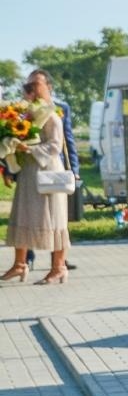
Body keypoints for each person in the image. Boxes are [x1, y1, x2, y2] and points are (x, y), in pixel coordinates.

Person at [3, 69, 71, 284]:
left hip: (48, 169)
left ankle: (58, 267)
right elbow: (15, 132)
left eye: (36, 86)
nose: (30, 90)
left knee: (54, 218)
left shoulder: (51, 113)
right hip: (28, 171)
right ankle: (20, 264)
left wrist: (30, 149)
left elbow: (55, 145)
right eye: (27, 86)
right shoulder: (23, 114)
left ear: (48, 87)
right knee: (22, 215)